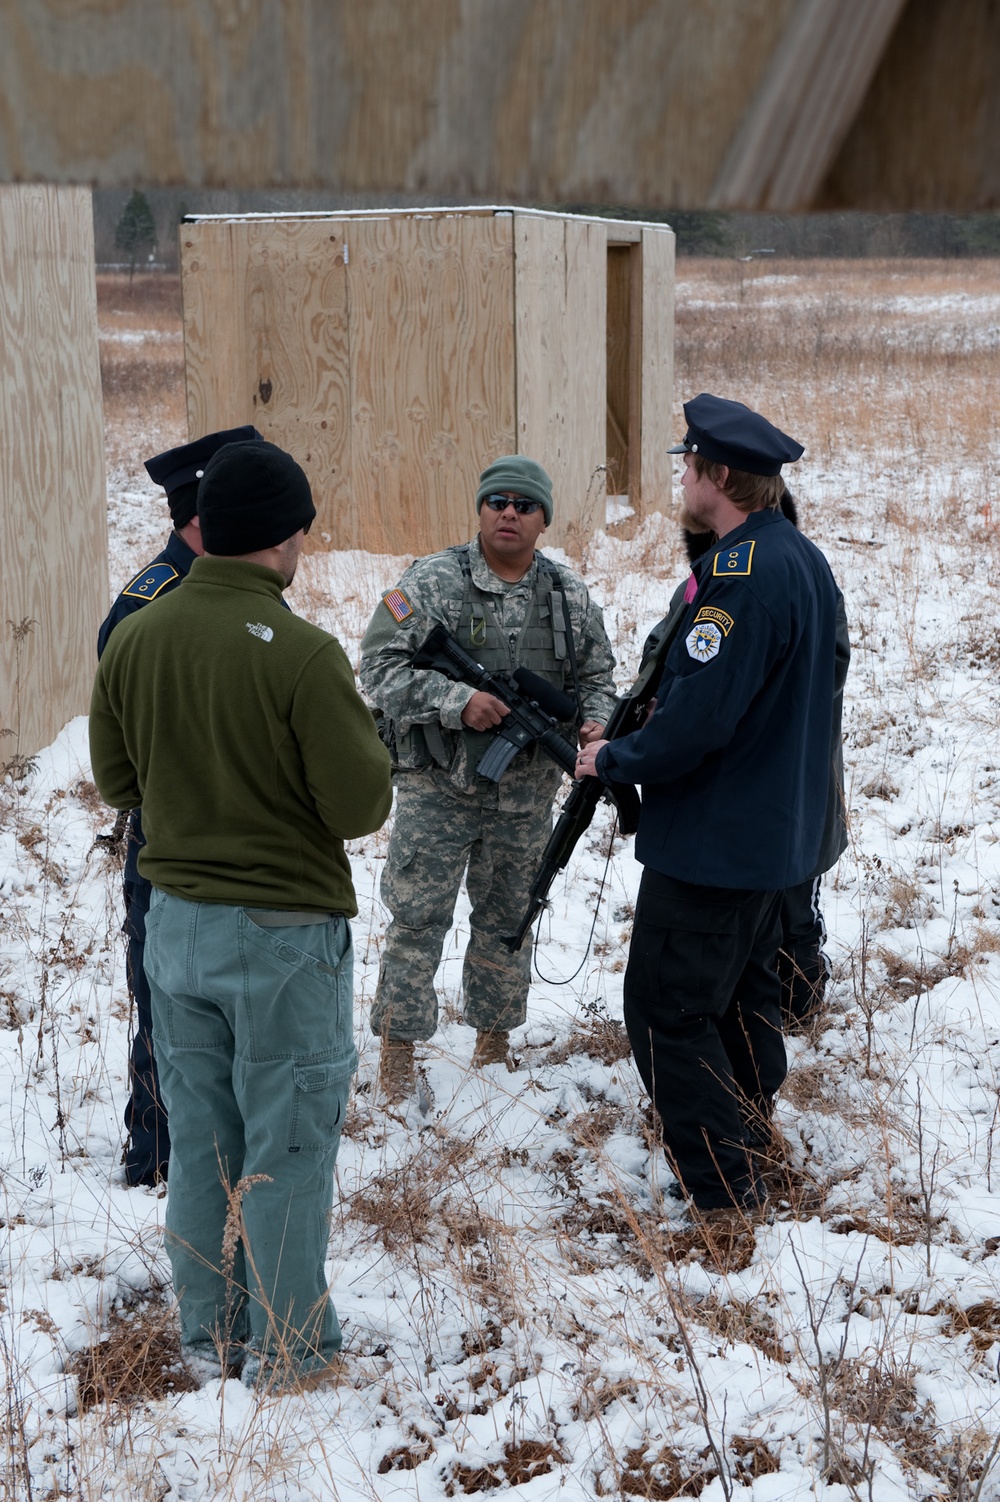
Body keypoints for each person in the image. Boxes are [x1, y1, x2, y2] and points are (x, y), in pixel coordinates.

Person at [90, 439, 392, 1389]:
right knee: (288, 1146)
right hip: (282, 938)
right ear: (284, 537)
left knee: (200, 1142)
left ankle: (209, 1333)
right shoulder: (303, 654)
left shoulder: (136, 634)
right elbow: (359, 807)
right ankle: (294, 1354)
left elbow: (115, 781)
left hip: (174, 928)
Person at [576, 394, 840, 1220]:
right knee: (740, 998)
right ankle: (751, 1139)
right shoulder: (801, 557)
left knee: (666, 1010)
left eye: (687, 466)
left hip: (716, 841)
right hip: (776, 835)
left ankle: (725, 1195)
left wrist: (614, 754)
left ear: (718, 476)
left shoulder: (737, 576)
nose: (682, 479)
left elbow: (703, 718)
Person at [359, 455, 617, 1099]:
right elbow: (379, 671)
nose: (509, 513)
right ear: (480, 510)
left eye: (524, 505)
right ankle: (398, 1051)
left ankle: (494, 1044)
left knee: (509, 918)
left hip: (525, 796)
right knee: (417, 919)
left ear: (544, 520)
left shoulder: (567, 596)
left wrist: (595, 724)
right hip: (437, 787)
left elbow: (597, 680)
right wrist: (456, 702)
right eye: (497, 501)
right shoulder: (430, 582)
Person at [98, 425, 261, 1188]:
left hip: (233, 838)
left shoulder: (231, 589)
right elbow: (131, 744)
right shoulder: (152, 601)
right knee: (169, 998)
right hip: (172, 836)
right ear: (205, 510)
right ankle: (157, 1151)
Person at [638, 489, 850, 1032]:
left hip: (772, 787)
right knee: (752, 936)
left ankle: (798, 999)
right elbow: (672, 670)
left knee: (789, 907)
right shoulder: (701, 588)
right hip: (752, 796)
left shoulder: (763, 583)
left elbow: (818, 674)